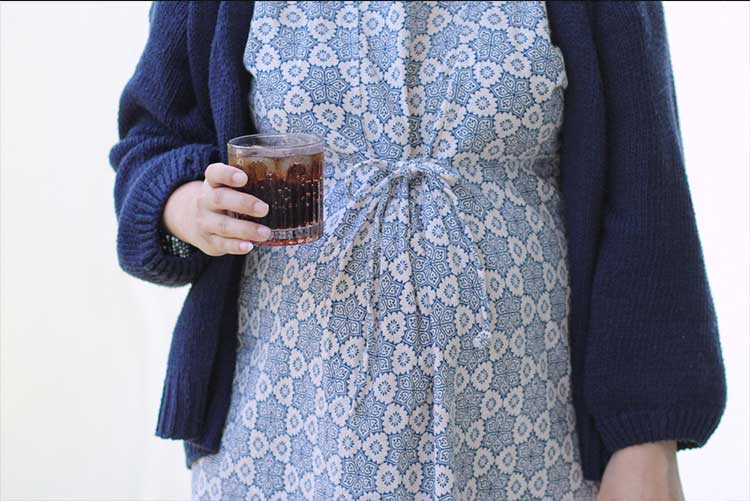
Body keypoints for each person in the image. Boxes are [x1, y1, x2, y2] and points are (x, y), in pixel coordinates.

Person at [109, 1, 727, 499]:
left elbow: (646, 189)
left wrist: (648, 439)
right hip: (289, 439)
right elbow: (150, 142)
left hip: (528, 440)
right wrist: (183, 204)